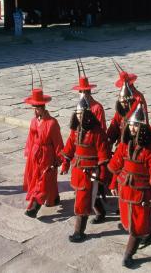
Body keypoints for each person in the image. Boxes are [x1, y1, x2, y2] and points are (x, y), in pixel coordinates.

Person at [108, 104, 151, 268]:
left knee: (137, 225)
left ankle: (128, 254)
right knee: (132, 221)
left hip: (142, 191)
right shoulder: (125, 144)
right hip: (125, 188)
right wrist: (113, 182)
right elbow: (117, 164)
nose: (133, 128)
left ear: (143, 126)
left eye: (136, 125)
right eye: (131, 124)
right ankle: (149, 232)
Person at [60, 96, 110, 242]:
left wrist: (102, 173)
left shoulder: (97, 132)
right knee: (87, 196)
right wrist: (65, 163)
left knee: (83, 200)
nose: (79, 116)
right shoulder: (75, 130)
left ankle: (79, 232)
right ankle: (100, 213)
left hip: (91, 172)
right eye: (77, 113)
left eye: (81, 113)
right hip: (77, 170)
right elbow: (69, 147)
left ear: (88, 114)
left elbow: (103, 154)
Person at [23, 85, 64, 218]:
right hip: (35, 154)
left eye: (36, 107)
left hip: (47, 154)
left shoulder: (52, 123)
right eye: (33, 107)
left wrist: (59, 158)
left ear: (42, 107)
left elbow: (58, 141)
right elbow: (30, 138)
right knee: (38, 178)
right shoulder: (33, 121)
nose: (34, 110)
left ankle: (35, 207)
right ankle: (54, 198)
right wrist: (28, 152)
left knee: (44, 179)